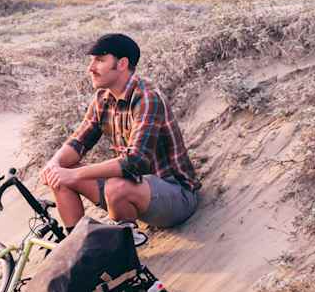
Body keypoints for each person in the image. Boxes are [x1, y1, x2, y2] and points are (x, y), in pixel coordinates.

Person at [40, 33, 200, 243]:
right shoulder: (103, 99)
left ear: (122, 63)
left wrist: (77, 175)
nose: (91, 68)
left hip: (175, 196)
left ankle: (126, 241)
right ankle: (81, 247)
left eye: (99, 60)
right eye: (91, 60)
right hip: (133, 194)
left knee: (115, 185)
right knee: (60, 175)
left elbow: (136, 161)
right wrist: (54, 165)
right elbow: (79, 141)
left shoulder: (147, 98)